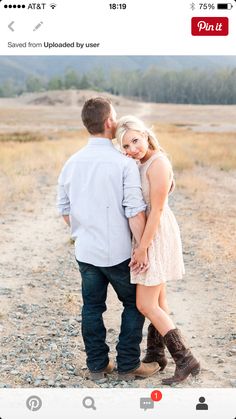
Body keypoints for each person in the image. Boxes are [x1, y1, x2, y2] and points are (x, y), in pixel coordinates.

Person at [56, 97, 159, 380]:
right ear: (109, 122)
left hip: (86, 251)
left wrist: (85, 228)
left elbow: (64, 210)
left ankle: (98, 367)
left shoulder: (72, 162)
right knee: (133, 304)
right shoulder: (122, 163)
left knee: (92, 308)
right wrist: (142, 248)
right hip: (119, 253)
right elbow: (134, 212)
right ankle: (128, 366)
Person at [116, 115, 200, 385]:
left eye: (135, 141)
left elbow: (158, 209)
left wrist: (142, 248)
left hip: (157, 234)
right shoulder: (137, 163)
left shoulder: (158, 163)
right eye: (126, 146)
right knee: (160, 302)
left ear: (145, 133)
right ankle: (156, 354)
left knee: (145, 303)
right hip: (148, 233)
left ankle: (185, 359)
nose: (132, 149)